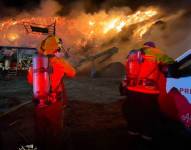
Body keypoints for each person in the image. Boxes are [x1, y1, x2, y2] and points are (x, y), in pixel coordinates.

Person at [27, 35, 76, 149]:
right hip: (54, 104)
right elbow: (73, 73)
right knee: (55, 131)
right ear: (56, 49)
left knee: (40, 130)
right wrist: (62, 61)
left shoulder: (35, 63)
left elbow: (30, 80)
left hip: (39, 103)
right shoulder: (59, 63)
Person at [122, 41, 174, 141]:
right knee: (150, 113)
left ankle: (133, 131)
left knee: (134, 111)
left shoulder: (132, 53)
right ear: (152, 46)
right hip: (148, 90)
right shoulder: (156, 52)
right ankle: (147, 134)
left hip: (132, 89)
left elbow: (128, 68)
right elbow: (171, 63)